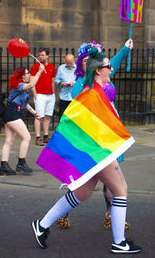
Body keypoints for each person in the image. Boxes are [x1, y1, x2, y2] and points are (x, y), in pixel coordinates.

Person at [32, 47, 141, 254]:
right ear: (98, 70)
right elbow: (74, 123)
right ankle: (119, 242)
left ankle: (42, 225)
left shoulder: (95, 90)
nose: (111, 69)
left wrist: (125, 49)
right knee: (120, 188)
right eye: (108, 67)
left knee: (83, 191)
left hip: (97, 151)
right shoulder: (91, 94)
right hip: (98, 152)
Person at [57, 39, 133, 230]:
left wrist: (125, 48)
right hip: (92, 138)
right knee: (81, 181)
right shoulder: (79, 85)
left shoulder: (103, 76)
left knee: (112, 181)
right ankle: (61, 213)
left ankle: (111, 216)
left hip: (109, 134)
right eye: (84, 61)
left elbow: (112, 63)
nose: (87, 63)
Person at [0, 65, 45, 175]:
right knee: (27, 137)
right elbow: (32, 84)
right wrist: (39, 71)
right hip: (12, 114)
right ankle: (21, 163)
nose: (29, 74)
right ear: (23, 76)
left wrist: (35, 113)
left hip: (11, 113)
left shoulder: (22, 88)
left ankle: (3, 166)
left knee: (9, 141)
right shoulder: (19, 85)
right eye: (27, 73)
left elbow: (25, 104)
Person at [30, 48, 56, 146]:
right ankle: (38, 137)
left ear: (47, 56)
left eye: (42, 55)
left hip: (50, 95)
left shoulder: (52, 67)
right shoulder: (35, 67)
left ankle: (45, 136)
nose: (40, 57)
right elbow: (32, 82)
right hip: (40, 95)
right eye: (39, 55)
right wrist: (35, 94)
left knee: (47, 117)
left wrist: (53, 93)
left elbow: (52, 80)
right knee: (38, 116)